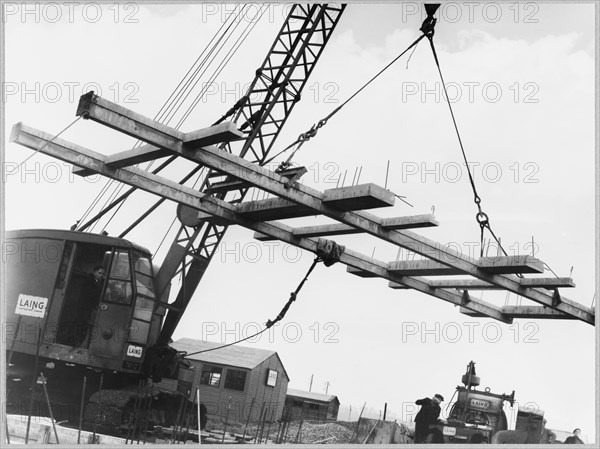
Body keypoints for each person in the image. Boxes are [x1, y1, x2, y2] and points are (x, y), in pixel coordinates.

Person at [78, 265, 106, 347]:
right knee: (82, 325)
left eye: (102, 274)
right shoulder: (89, 281)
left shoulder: (97, 282)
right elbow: (90, 294)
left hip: (89, 308)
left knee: (86, 326)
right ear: (94, 272)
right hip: (84, 307)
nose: (101, 275)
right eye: (99, 273)